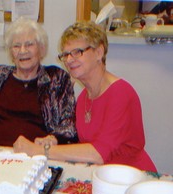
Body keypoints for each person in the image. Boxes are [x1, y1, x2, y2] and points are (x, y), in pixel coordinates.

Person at [14, 21, 157, 172]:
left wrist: (39, 150)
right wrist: (52, 140)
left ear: (99, 52)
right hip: (103, 176)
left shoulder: (121, 93)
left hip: (132, 178)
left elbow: (98, 153)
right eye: (66, 54)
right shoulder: (84, 97)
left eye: (77, 52)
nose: (69, 60)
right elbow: (84, 146)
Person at [0, 17, 77, 147]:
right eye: (16, 46)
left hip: (33, 156)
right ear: (11, 52)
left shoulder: (57, 79)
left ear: (41, 49)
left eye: (29, 45)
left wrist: (53, 139)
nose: (22, 51)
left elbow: (69, 125)